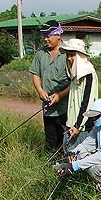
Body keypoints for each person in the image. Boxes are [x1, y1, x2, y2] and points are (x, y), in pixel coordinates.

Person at [55, 98, 101, 191]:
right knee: (72, 161)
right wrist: (72, 153)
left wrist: (75, 165)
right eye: (92, 117)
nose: (93, 119)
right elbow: (86, 145)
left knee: (92, 168)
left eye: (96, 117)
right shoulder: (98, 128)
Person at [29, 20, 70, 153]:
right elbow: (35, 73)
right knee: (51, 142)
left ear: (58, 35)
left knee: (66, 141)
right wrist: (40, 90)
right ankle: (51, 168)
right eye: (44, 36)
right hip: (48, 108)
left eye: (48, 35)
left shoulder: (68, 54)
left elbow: (75, 83)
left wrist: (59, 96)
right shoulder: (41, 53)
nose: (46, 39)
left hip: (66, 108)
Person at [60, 37, 99, 151]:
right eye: (68, 55)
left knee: (80, 157)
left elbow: (87, 102)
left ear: (80, 56)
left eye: (72, 55)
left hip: (83, 127)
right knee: (68, 155)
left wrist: (78, 126)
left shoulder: (89, 74)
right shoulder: (73, 74)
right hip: (70, 123)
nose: (69, 58)